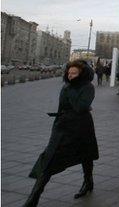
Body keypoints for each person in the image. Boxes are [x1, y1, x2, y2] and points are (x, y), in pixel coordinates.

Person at [24, 60, 99, 206]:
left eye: (74, 73)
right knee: (49, 160)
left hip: (81, 127)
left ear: (82, 74)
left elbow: (80, 107)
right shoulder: (66, 86)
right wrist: (56, 126)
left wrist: (71, 88)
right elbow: (62, 108)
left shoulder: (87, 87)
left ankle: (88, 182)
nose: (70, 76)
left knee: (86, 155)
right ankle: (33, 199)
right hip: (63, 128)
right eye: (69, 73)